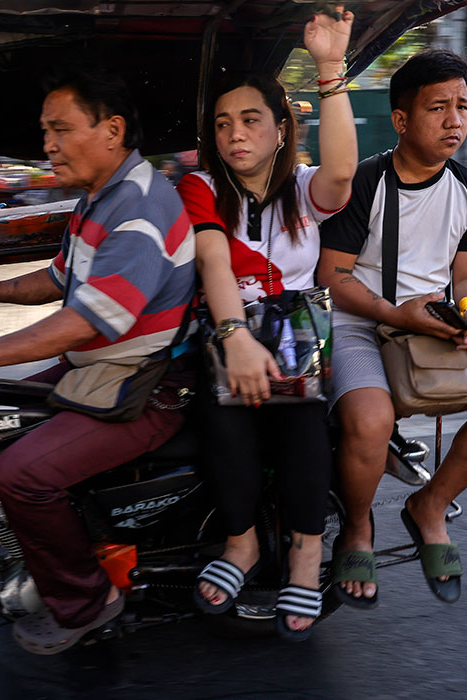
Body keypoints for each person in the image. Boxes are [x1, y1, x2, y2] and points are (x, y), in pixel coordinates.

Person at [0, 67, 196, 654]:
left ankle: (85, 602)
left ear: (111, 130)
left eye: (61, 130)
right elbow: (61, 280)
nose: (48, 145)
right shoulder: (101, 198)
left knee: (24, 472)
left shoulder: (140, 208)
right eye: (46, 131)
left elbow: (83, 320)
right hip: (97, 369)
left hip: (144, 384)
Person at [318, 49, 467, 608]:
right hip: (360, 320)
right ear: (401, 120)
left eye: (462, 106)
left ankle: (430, 505)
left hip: (432, 324)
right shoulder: (364, 183)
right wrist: (394, 313)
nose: (454, 120)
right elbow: (333, 276)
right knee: (370, 417)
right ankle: (358, 527)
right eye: (438, 107)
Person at [176, 6, 356, 641]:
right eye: (223, 124)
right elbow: (214, 262)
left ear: (282, 130)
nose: (235, 135)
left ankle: (307, 555)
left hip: (299, 332)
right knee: (223, 428)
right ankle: (242, 543)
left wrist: (330, 69)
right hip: (229, 330)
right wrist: (235, 338)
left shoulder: (306, 188)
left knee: (304, 428)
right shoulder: (199, 187)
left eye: (251, 120)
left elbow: (341, 174)